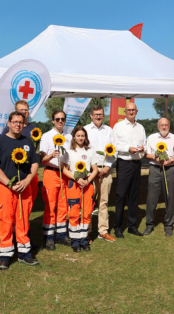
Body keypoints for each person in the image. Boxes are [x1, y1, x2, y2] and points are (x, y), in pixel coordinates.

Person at [0, 111, 39, 270]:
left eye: (21, 122)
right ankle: (5, 255)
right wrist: (8, 183)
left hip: (24, 187)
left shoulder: (28, 142)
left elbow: (34, 164)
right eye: (15, 121)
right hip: (5, 187)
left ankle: (25, 254)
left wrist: (27, 180)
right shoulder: (0, 141)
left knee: (23, 219)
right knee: (5, 219)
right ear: (9, 123)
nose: (18, 124)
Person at [2, 100, 40, 246]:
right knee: (11, 208)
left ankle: (24, 233)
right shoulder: (10, 129)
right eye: (21, 110)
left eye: (26, 110)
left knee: (27, 205)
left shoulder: (33, 128)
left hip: (30, 173)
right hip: (14, 173)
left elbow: (35, 150)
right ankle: (13, 234)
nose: (24, 112)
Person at [39, 110, 72, 250]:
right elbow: (42, 159)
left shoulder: (69, 137)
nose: (60, 121)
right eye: (57, 119)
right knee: (51, 206)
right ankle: (48, 237)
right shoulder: (46, 136)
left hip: (65, 174)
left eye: (62, 119)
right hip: (51, 173)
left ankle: (61, 235)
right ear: (53, 120)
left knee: (63, 205)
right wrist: (51, 155)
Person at [112, 102, 146, 238]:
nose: (131, 112)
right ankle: (118, 227)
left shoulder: (140, 127)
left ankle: (132, 226)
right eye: (129, 110)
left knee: (134, 195)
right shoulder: (118, 126)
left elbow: (144, 142)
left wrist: (143, 148)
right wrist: (128, 148)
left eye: (134, 110)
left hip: (137, 163)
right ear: (125, 112)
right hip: (124, 163)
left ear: (136, 112)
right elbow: (114, 145)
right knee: (121, 195)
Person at [62, 126, 99, 252]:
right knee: (73, 212)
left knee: (86, 212)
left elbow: (95, 170)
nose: (80, 138)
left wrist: (88, 180)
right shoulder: (69, 152)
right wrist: (76, 179)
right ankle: (75, 241)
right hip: (74, 184)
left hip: (87, 185)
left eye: (82, 135)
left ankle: (84, 240)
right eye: (78, 135)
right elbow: (65, 169)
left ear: (85, 137)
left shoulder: (90, 151)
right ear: (74, 137)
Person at [84, 106, 116, 242]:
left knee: (103, 202)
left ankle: (103, 231)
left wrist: (108, 167)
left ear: (104, 116)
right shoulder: (85, 130)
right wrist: (93, 169)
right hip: (90, 171)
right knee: (88, 202)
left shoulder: (109, 130)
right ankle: (86, 232)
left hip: (106, 171)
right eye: (96, 114)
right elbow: (82, 150)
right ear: (91, 115)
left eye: (101, 115)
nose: (98, 117)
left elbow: (115, 151)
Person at [144, 118, 174, 237]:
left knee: (170, 197)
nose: (164, 127)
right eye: (162, 125)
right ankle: (149, 224)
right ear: (158, 126)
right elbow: (146, 154)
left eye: (166, 125)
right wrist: (155, 158)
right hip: (155, 169)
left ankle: (169, 225)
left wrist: (171, 160)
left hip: (170, 169)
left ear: (169, 126)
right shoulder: (152, 138)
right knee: (152, 198)